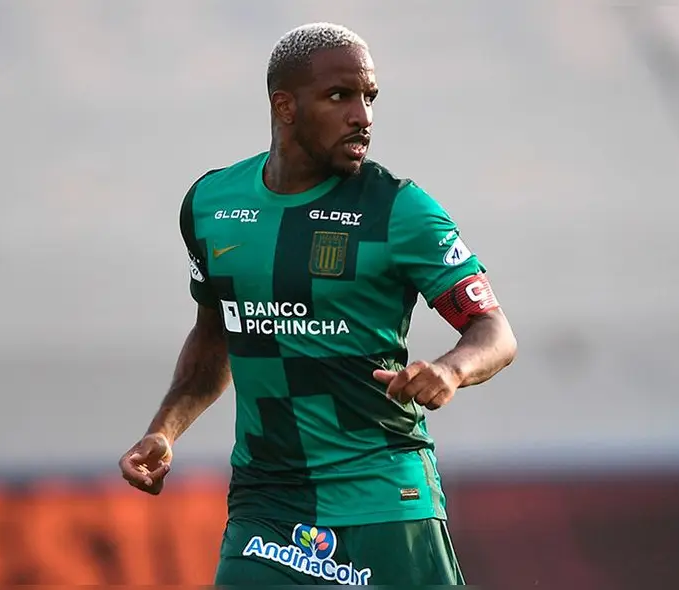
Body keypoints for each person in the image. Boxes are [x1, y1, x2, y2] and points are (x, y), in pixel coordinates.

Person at [118, 22, 517, 586]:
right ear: (285, 106)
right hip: (266, 506)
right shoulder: (211, 204)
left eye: (369, 97)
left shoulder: (399, 210)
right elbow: (215, 337)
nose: (363, 115)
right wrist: (164, 430)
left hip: (382, 495)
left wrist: (450, 370)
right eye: (340, 96)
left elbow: (494, 331)